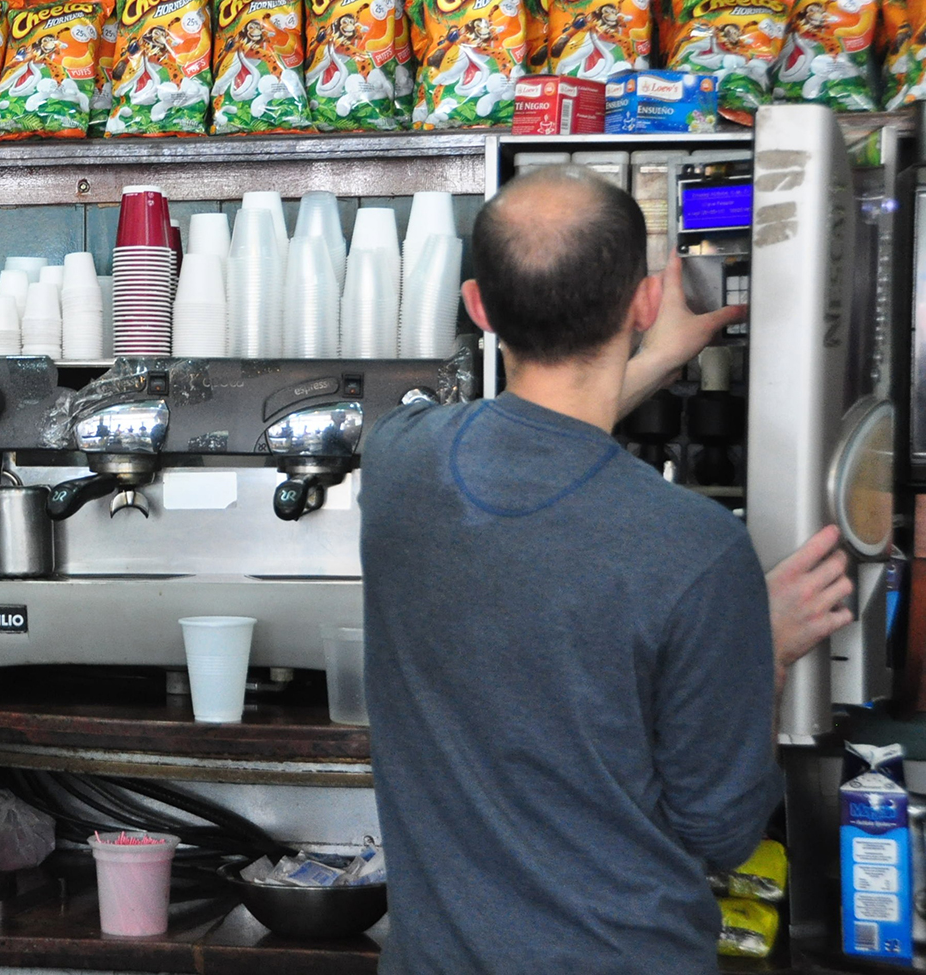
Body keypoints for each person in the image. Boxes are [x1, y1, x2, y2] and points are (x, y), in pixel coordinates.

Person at [359, 166, 853, 974]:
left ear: (479, 307)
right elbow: (722, 836)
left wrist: (650, 360)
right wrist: (764, 647)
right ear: (646, 299)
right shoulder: (697, 551)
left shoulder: (399, 464)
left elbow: (533, 442)